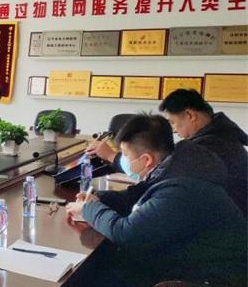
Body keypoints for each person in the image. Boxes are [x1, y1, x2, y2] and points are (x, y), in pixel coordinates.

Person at [67, 113, 246, 287]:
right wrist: (101, 198)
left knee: (96, 281)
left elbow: (126, 233)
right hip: (188, 263)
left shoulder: (181, 187)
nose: (124, 161)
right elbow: (137, 196)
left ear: (146, 160)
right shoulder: (177, 164)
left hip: (208, 286)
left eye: (126, 156)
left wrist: (89, 208)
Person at [88, 89, 247, 214]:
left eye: (173, 122)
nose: (174, 131)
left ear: (190, 115)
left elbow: (158, 183)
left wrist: (111, 157)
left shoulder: (206, 149)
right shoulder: (221, 137)